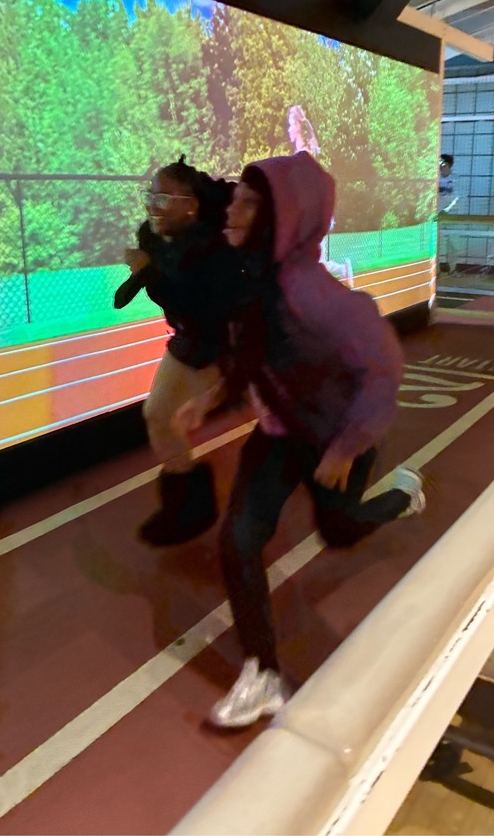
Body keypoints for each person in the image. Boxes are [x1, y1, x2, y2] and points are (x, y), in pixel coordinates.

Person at [174, 151, 425, 728]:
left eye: (248, 202)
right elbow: (253, 358)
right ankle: (262, 674)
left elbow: (384, 370)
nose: (231, 209)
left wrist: (345, 447)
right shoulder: (253, 282)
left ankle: (401, 495)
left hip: (334, 437)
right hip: (279, 434)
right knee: (238, 542)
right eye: (234, 198)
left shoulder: (317, 297)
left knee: (339, 530)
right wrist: (210, 402)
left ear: (285, 219)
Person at [114, 156, 241, 546]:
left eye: (165, 196)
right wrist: (144, 274)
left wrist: (146, 273)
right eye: (150, 194)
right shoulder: (153, 238)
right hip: (190, 337)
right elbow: (168, 289)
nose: (153, 204)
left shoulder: (212, 249)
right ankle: (189, 503)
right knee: (159, 415)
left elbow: (199, 304)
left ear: (192, 205)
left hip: (225, 342)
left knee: (271, 413)